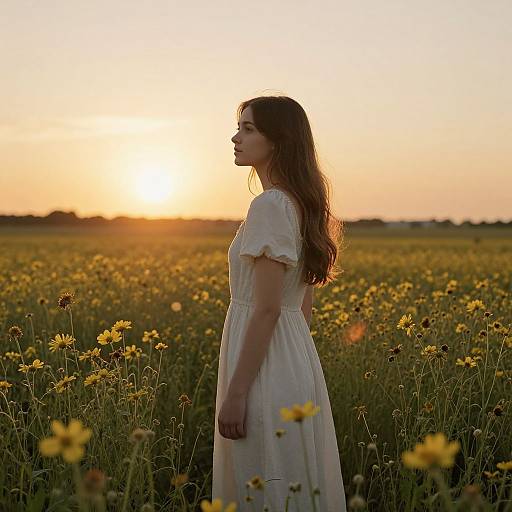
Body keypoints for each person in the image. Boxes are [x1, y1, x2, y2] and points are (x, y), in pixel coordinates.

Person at [212, 95, 347, 511]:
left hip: (263, 366)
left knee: (264, 481)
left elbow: (268, 308)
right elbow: (300, 308)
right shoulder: (300, 205)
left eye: (249, 128)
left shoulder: (270, 205)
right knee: (291, 478)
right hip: (292, 357)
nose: (236, 137)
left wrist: (236, 393)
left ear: (278, 139)